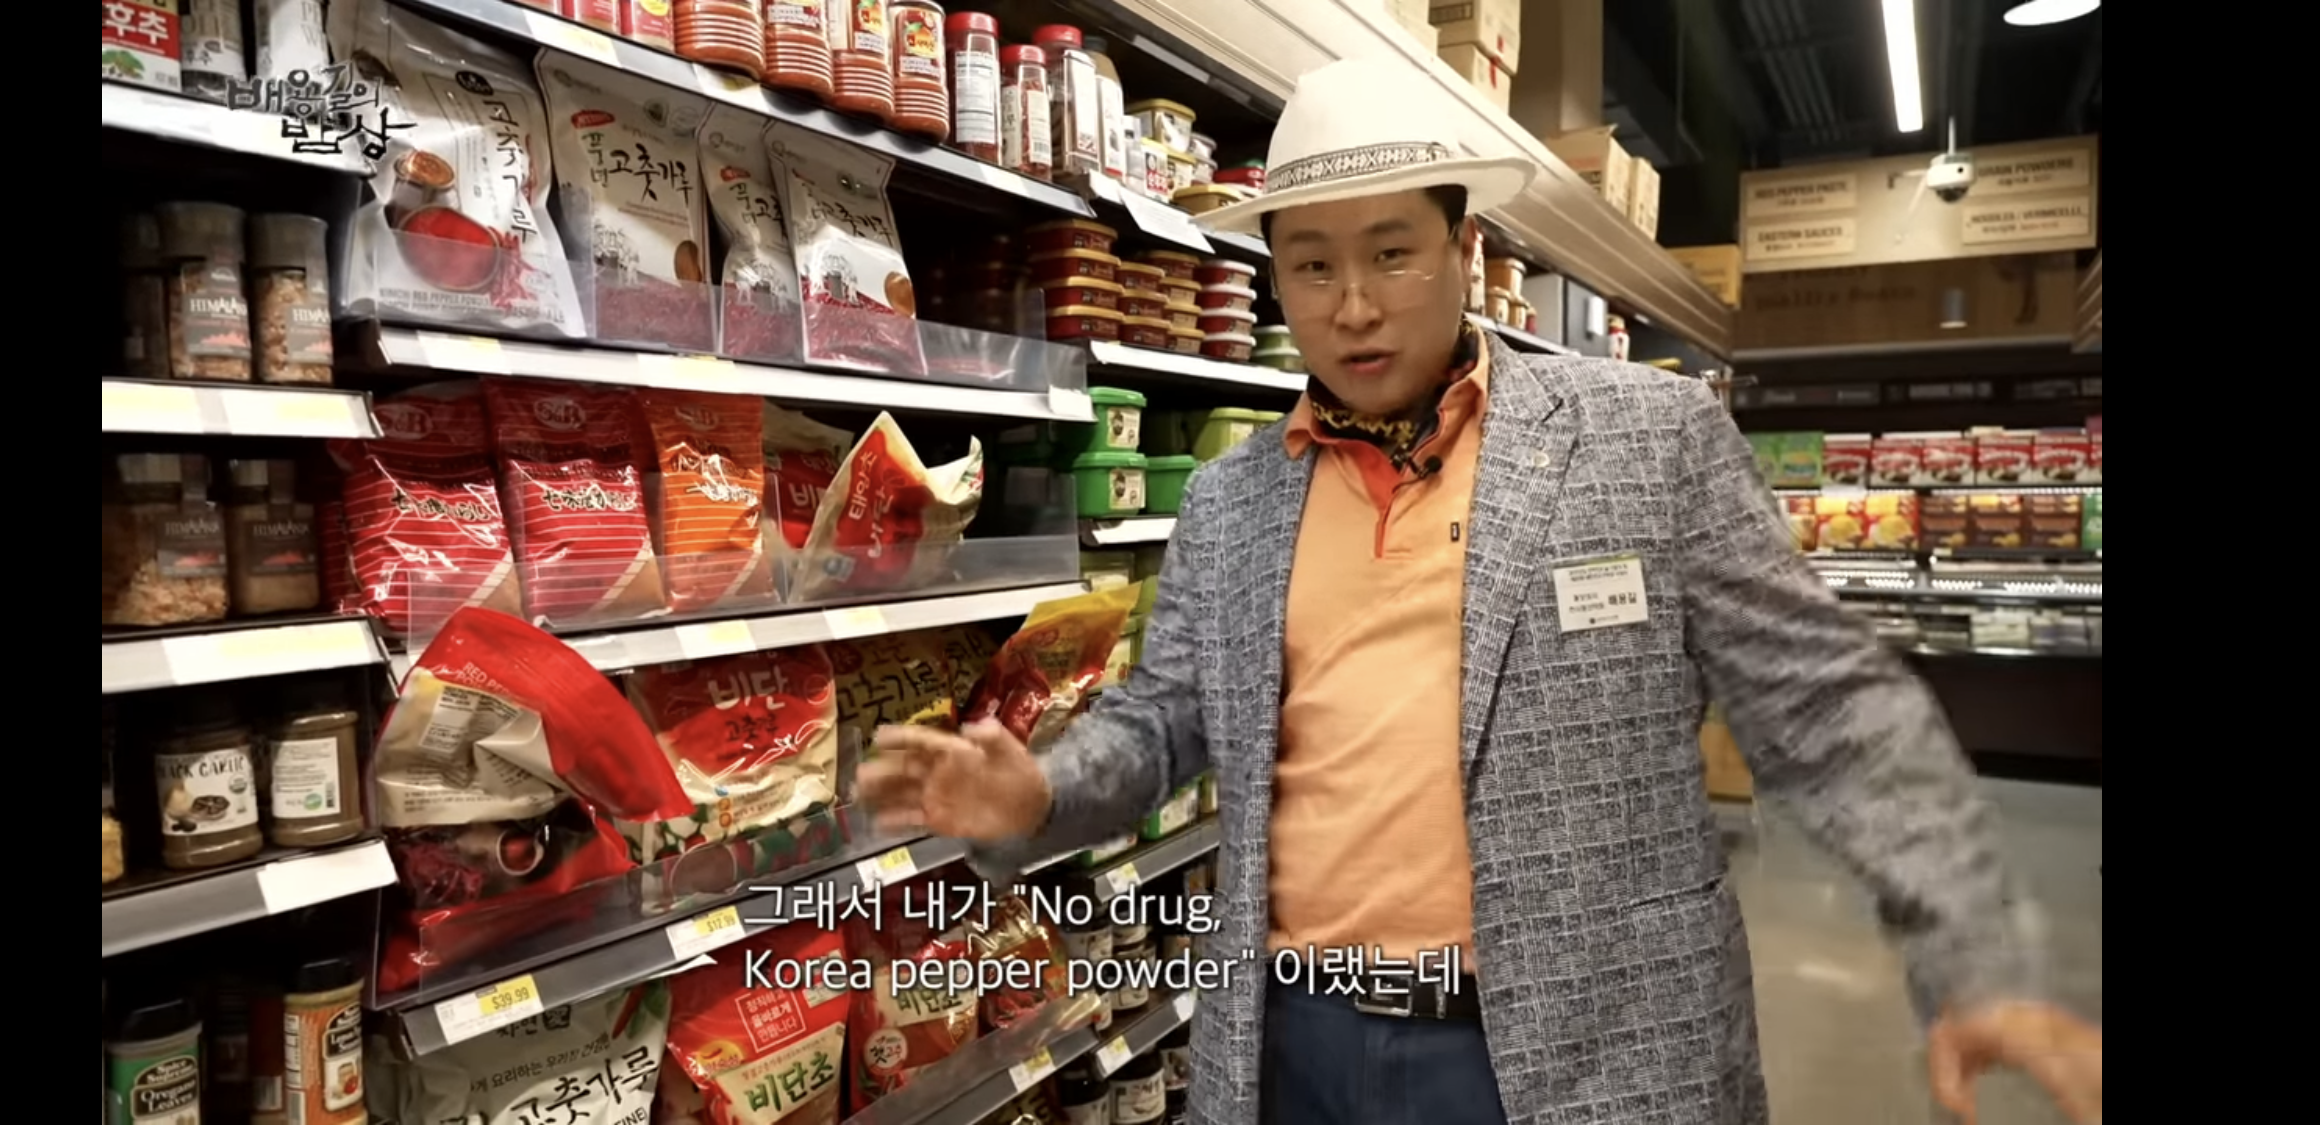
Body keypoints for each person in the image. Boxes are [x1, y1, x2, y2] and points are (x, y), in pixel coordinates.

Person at [862, 58, 2102, 1125]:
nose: (1353, 306)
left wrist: (1977, 953)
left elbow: (1831, 710)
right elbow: (1164, 719)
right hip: (1298, 1042)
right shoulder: (1236, 502)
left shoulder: (1647, 438)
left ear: (1466, 250)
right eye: (1311, 267)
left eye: (1391, 253)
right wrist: (1042, 789)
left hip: (1591, 1049)